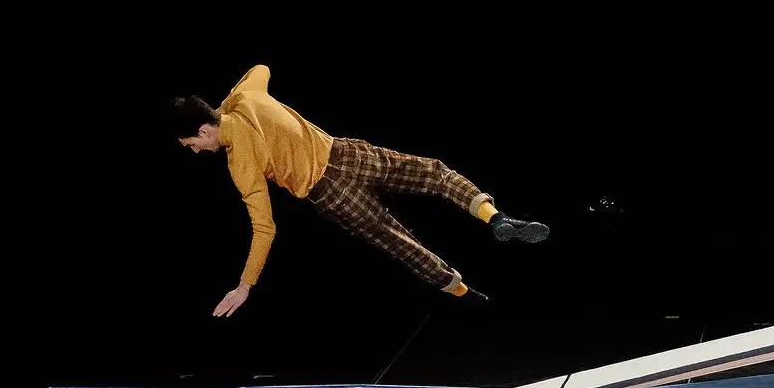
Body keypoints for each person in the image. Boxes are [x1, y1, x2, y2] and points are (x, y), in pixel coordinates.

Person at [170, 64, 548, 315]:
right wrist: (229, 102)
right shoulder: (248, 96)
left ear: (203, 131)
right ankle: (494, 216)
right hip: (348, 153)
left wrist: (244, 286)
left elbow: (265, 228)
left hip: (331, 194)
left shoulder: (240, 163)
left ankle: (466, 295)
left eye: (192, 145)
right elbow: (260, 69)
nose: (196, 152)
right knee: (434, 173)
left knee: (397, 240)